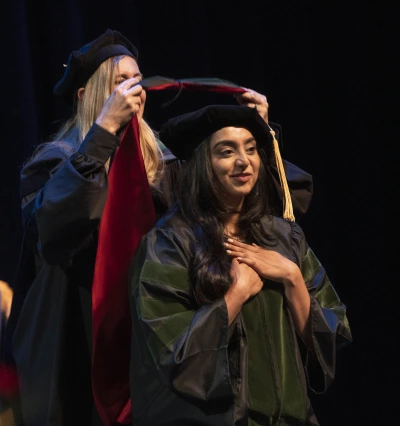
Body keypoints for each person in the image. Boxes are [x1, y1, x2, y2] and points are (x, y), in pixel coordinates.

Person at [6, 28, 314, 426]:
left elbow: (259, 204)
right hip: (80, 335)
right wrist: (103, 136)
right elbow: (54, 232)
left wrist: (259, 134)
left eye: (137, 80)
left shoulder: (165, 165)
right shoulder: (53, 163)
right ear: (86, 96)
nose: (134, 90)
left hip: (158, 330)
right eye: (120, 82)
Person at [127, 104, 352, 425]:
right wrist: (235, 295)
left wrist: (292, 278)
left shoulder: (284, 236)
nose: (243, 161)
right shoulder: (169, 243)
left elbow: (333, 330)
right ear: (204, 164)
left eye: (250, 149)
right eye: (227, 151)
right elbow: (169, 353)